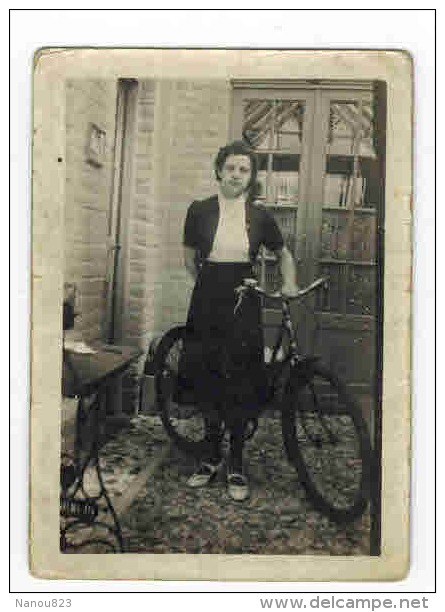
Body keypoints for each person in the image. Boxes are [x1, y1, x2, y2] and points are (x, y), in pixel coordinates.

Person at [182, 140, 298, 501]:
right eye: (230, 168)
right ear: (219, 171)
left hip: (243, 297)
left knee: (239, 379)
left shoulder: (259, 217)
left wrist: (289, 282)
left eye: (244, 170)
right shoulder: (199, 210)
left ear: (250, 178)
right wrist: (205, 287)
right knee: (207, 373)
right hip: (208, 296)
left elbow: (283, 254)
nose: (236, 175)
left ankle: (235, 462)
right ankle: (210, 456)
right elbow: (189, 257)